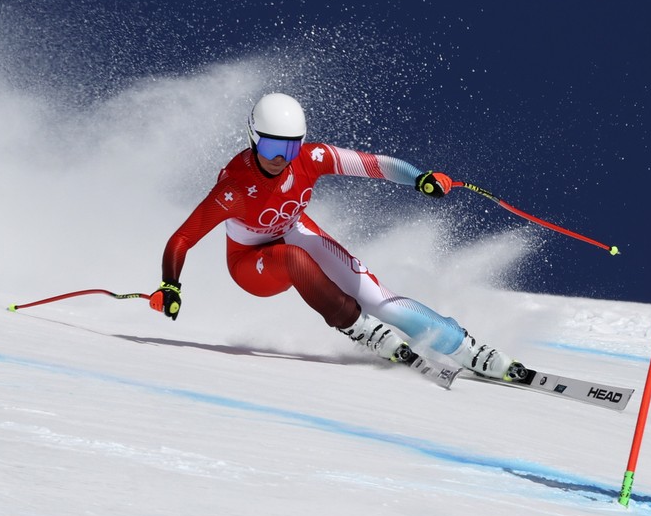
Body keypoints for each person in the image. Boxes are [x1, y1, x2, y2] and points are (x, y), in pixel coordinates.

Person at [150, 92, 525, 383]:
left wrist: (419, 178)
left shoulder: (309, 159)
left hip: (295, 231)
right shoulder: (234, 187)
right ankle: (358, 327)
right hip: (252, 264)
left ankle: (463, 346)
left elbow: (372, 165)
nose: (281, 158)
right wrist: (170, 285)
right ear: (253, 139)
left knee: (381, 300)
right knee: (294, 260)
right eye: (271, 147)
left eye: (290, 147)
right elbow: (182, 238)